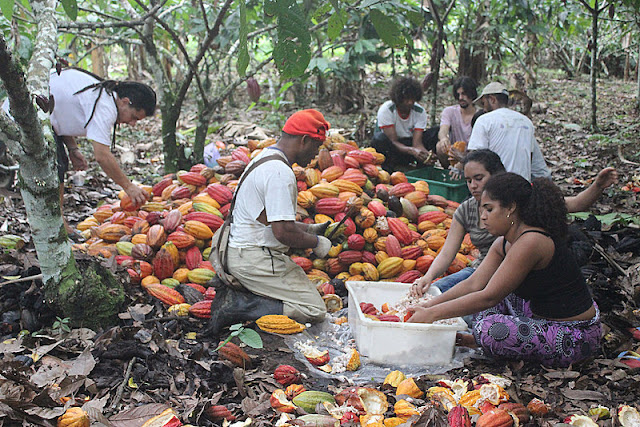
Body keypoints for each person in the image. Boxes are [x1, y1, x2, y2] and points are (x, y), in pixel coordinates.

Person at [409, 172, 601, 367]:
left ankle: (481, 339)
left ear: (510, 208)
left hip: (575, 334)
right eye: (482, 210)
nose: (483, 217)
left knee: (489, 329)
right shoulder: (503, 242)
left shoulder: (532, 241)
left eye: (489, 209)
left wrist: (432, 315)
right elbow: (474, 283)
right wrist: (429, 305)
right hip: (538, 316)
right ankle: (480, 339)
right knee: (492, 299)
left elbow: (488, 297)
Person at [411, 149, 618, 298]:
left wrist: (598, 186)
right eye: (468, 180)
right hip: (481, 270)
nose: (473, 185)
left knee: (472, 314)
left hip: (514, 278)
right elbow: (448, 253)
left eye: (479, 178)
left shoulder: (522, 203)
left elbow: (575, 204)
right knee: (435, 293)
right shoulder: (466, 209)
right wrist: (428, 278)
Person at [204, 109, 333, 337]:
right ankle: (240, 307)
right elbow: (282, 232)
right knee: (314, 309)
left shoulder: (265, 157)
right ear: (304, 140)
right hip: (253, 257)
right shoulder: (279, 173)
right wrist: (316, 242)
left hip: (237, 251)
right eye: (316, 146)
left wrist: (308, 229)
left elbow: (266, 218)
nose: (316, 154)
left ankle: (248, 295)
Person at [2, 68, 157, 236]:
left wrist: (72, 148)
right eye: (134, 117)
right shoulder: (105, 106)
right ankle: (54, 225)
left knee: (58, 163)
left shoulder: (102, 93)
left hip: (33, 114)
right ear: (125, 101)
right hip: (21, 116)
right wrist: (129, 187)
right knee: (54, 167)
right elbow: (102, 156)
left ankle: (53, 222)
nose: (132, 124)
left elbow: (61, 112)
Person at [468, 82, 550, 181]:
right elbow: (531, 159)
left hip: (496, 187)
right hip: (522, 186)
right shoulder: (526, 122)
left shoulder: (484, 120)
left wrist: (460, 159)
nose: (484, 109)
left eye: (484, 103)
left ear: (492, 99)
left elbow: (476, 161)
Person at [371, 77, 439, 170]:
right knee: (379, 139)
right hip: (392, 149)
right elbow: (393, 141)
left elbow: (417, 143)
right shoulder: (387, 110)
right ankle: (389, 169)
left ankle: (424, 169)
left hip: (408, 144)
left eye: (412, 99)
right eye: (406, 99)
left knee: (435, 132)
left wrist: (425, 154)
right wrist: (412, 151)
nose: (410, 102)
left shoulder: (419, 111)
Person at [435, 76, 478, 168]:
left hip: (472, 153)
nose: (460, 98)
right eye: (458, 94)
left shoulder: (480, 115)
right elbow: (443, 129)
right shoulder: (450, 111)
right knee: (440, 146)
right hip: (454, 151)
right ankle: (448, 171)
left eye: (464, 94)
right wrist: (443, 138)